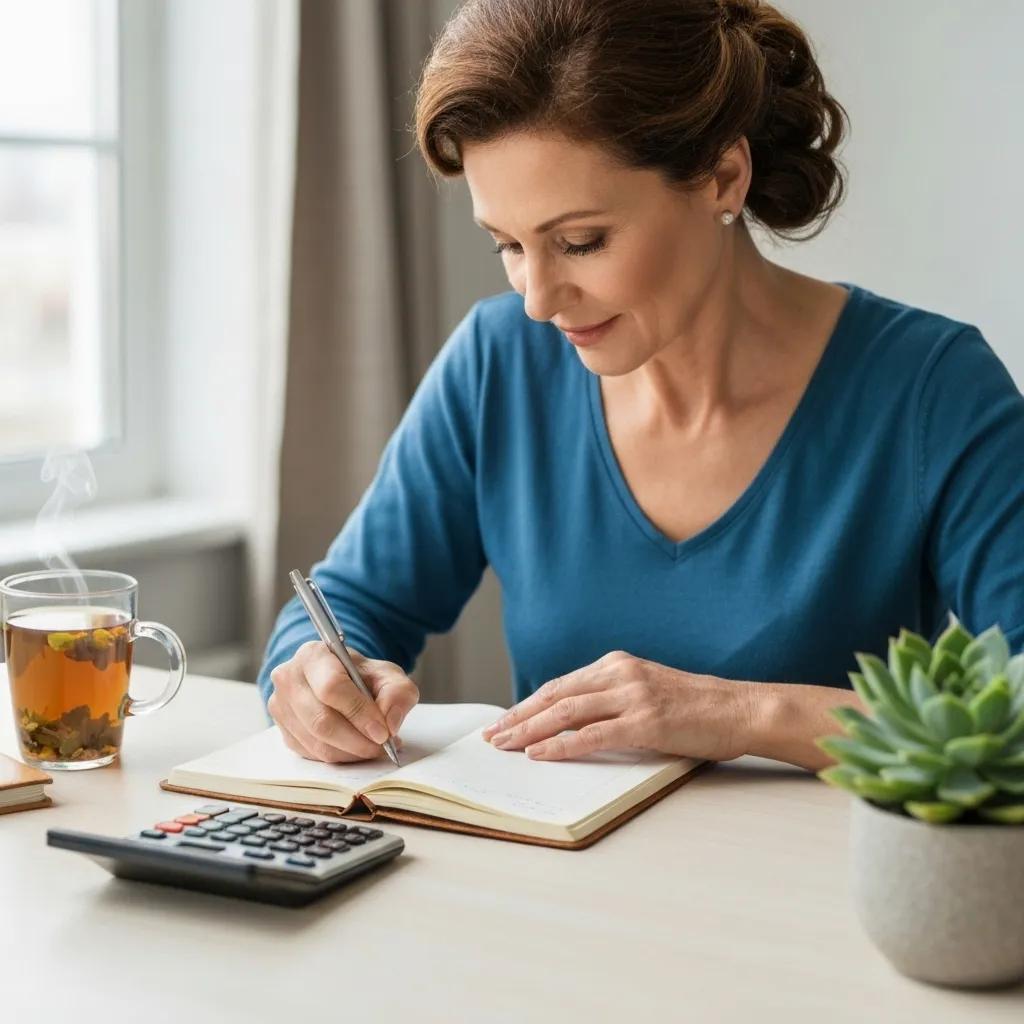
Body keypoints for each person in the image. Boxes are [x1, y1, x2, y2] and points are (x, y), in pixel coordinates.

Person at [257, 0, 1024, 772]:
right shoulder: (498, 364)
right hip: (559, 883)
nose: (538, 298)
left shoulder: (933, 390)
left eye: (580, 242)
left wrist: (745, 712)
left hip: (823, 887)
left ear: (723, 177)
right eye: (509, 246)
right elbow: (345, 610)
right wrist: (316, 682)